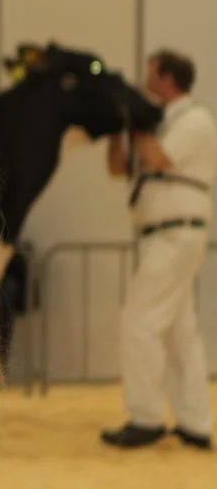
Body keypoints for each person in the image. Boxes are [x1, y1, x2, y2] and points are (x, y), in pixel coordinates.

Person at [103, 49, 215, 451]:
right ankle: (195, 423)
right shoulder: (161, 123)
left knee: (139, 321)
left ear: (168, 79)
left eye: (151, 74)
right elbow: (119, 167)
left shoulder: (195, 120)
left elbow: (159, 159)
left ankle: (147, 417)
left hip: (176, 233)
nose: (146, 82)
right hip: (160, 236)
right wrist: (119, 128)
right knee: (181, 333)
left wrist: (139, 124)